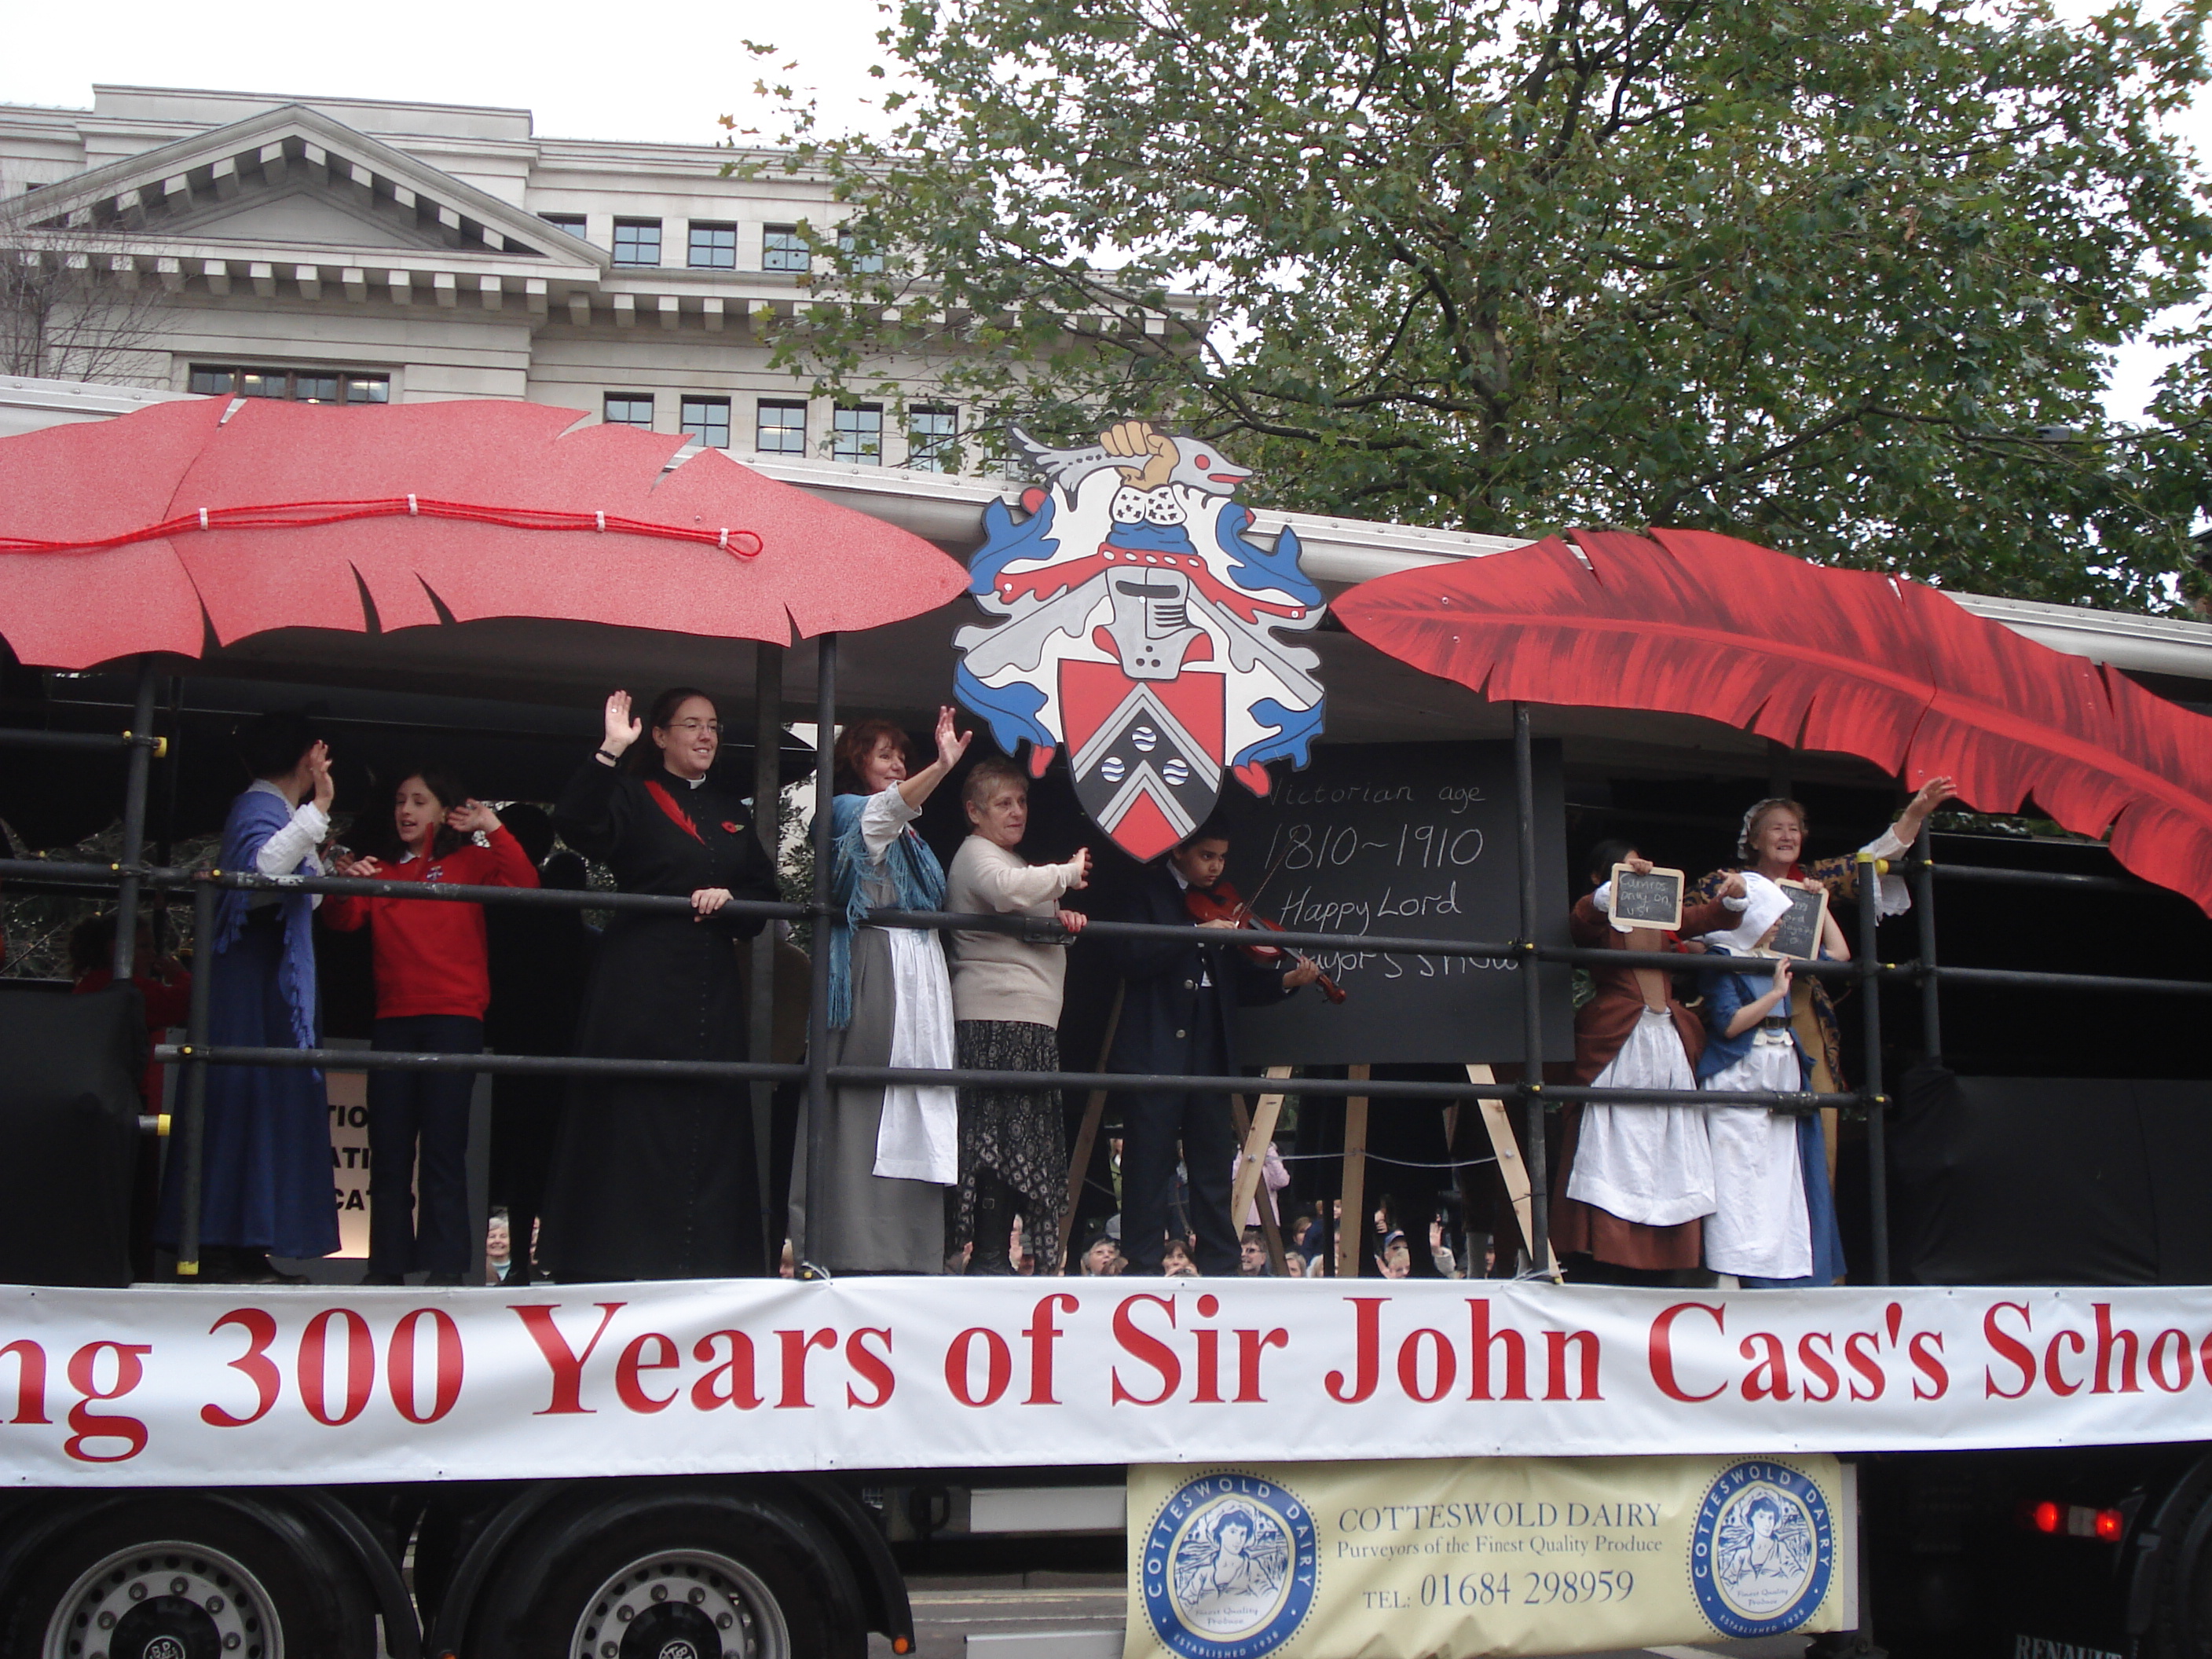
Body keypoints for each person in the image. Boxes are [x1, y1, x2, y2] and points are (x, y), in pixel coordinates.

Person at [542, 687, 780, 1280]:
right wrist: (609, 751)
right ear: (660, 735)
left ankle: (709, 1262)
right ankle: (618, 1257)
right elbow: (576, 824)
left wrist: (732, 899)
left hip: (711, 983)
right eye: (692, 725)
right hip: (640, 978)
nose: (706, 736)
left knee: (710, 1118)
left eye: (713, 726)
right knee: (633, 1115)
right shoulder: (631, 791)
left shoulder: (730, 808)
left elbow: (764, 893)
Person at [327, 770, 538, 1286]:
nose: (406, 810)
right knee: (389, 1150)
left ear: (444, 812)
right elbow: (342, 921)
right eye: (401, 801)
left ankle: (446, 1271)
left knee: (444, 1148)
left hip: (454, 1018)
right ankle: (386, 1269)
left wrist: (491, 825)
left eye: (419, 801)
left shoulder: (469, 861)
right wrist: (343, 882)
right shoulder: (379, 869)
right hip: (393, 1020)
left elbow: (525, 883)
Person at [156, 713, 339, 1284]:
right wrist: (319, 807)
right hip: (248, 979)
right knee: (239, 1098)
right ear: (308, 757)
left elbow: (304, 895)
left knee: (261, 1102)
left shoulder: (276, 811)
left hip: (268, 979)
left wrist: (322, 849)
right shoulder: (257, 806)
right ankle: (216, 1244)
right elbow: (261, 870)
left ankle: (246, 1244)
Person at [791, 709, 970, 1274]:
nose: (897, 764)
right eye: (883, 754)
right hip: (875, 968)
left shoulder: (910, 834)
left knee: (918, 1100)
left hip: (920, 974)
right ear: (855, 761)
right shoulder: (845, 810)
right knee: (863, 1103)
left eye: (902, 756)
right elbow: (885, 813)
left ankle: (913, 1250)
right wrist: (941, 768)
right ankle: (849, 1247)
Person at [1104, 821, 1321, 1275]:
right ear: (1178, 851)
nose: (1217, 867)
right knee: (1149, 1158)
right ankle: (1143, 1261)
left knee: (1212, 1157)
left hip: (1209, 1041)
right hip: (1157, 1039)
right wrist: (1196, 934)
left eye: (1222, 857)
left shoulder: (1223, 902)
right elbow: (1129, 956)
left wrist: (1285, 980)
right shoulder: (1146, 891)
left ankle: (1220, 1261)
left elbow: (1237, 982)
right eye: (1207, 856)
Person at [1551, 840, 1742, 1279]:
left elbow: (1706, 918)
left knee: (1669, 1137)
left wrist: (1732, 899)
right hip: (1618, 1040)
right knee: (1611, 1136)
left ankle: (1665, 1256)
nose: (1638, 868)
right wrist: (1608, 894)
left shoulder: (1660, 911)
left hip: (1666, 1043)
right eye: (1624, 865)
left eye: (1639, 861)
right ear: (1600, 876)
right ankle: (1600, 1252)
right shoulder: (1600, 916)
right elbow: (1580, 923)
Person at [1692, 781, 1957, 1093]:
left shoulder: (1813, 879)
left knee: (1817, 1095)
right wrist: (1721, 960)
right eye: (1777, 828)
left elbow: (1869, 861)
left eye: (1794, 829)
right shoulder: (1724, 882)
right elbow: (1680, 927)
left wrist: (1914, 814)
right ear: (1754, 839)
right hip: (1740, 998)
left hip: (1801, 998)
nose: (1787, 836)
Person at [944, 754, 1091, 1274]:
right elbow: (1007, 891)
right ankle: (988, 1254)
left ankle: (995, 1253)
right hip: (996, 1017)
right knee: (999, 1138)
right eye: (1003, 803)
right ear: (974, 812)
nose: (1016, 812)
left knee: (1017, 1140)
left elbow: (1021, 900)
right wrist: (1067, 874)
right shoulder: (977, 854)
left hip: (1024, 1018)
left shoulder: (1006, 858)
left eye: (1022, 801)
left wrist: (1058, 916)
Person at [1697, 876, 1849, 1286]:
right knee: (1738, 1173)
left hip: (1782, 1067)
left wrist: (1821, 902)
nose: (1780, 924)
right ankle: (1733, 1272)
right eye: (1773, 916)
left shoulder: (1778, 953)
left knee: (1782, 1172)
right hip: (1742, 1072)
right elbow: (1729, 1024)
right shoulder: (1722, 956)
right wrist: (1775, 993)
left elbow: (1839, 954)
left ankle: (1787, 1271)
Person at [482, 803, 594, 1287]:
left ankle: (494, 1262)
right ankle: (553, 1258)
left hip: (498, 1040)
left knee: (494, 1149)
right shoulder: (574, 926)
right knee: (546, 1155)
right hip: (558, 1050)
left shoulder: (496, 904)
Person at [69, 913, 192, 1110]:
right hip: (122, 1092)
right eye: (143, 947)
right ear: (116, 950)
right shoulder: (126, 990)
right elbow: (181, 1003)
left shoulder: (91, 985)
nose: (152, 955)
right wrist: (180, 977)